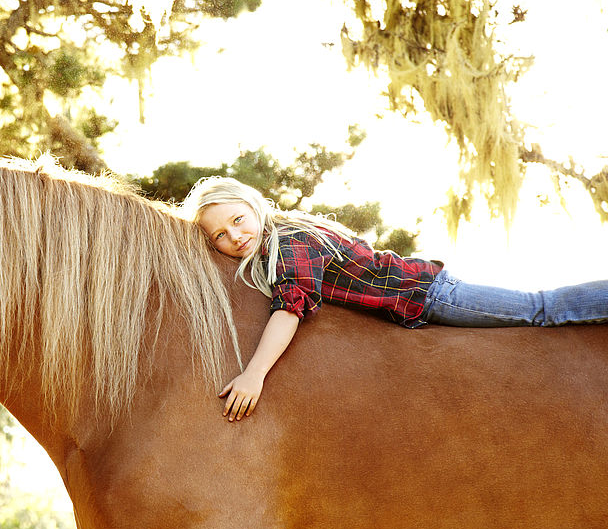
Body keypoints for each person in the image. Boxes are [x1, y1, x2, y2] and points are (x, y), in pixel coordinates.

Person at [180, 176, 608, 422]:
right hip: (419, 304)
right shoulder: (271, 252)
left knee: (540, 309)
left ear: (254, 207)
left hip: (433, 296)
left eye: (238, 220)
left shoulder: (289, 242)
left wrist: (254, 374)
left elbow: (291, 306)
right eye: (220, 234)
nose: (235, 236)